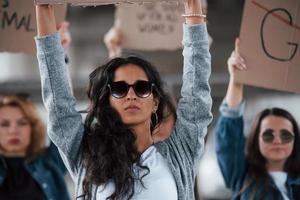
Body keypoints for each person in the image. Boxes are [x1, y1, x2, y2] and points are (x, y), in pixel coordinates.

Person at [34, 0, 212, 199]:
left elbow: (197, 93)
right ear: (108, 101)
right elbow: (60, 106)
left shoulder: (181, 152)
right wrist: (43, 7)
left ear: (155, 102)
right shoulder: (88, 154)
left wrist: (193, 7)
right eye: (119, 89)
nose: (131, 94)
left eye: (142, 88)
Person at [215, 39, 300, 199]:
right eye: (268, 135)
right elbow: (229, 138)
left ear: (295, 140)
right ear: (256, 140)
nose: (277, 141)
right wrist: (236, 80)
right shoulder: (241, 176)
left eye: (286, 135)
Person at [0, 95, 70, 200]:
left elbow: (64, 118)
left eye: (22, 123)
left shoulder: (51, 161)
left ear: (33, 128)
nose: (13, 131)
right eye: (4, 124)